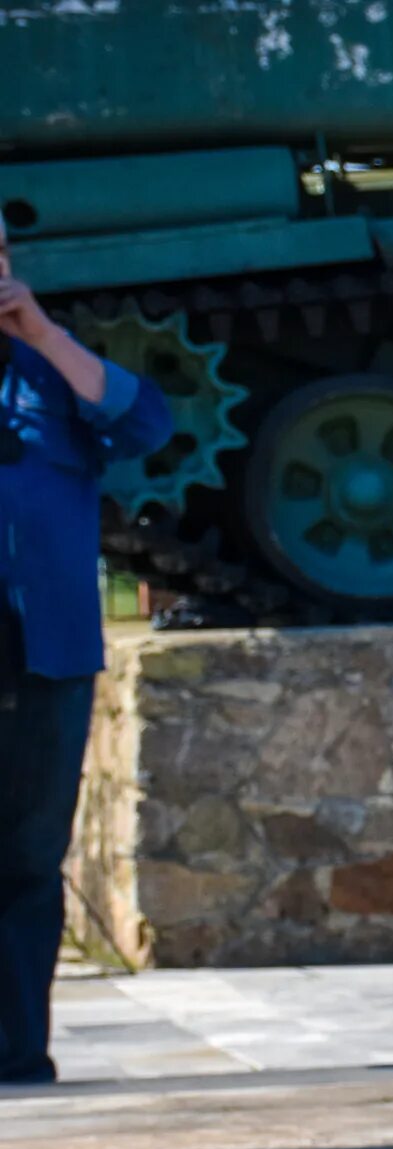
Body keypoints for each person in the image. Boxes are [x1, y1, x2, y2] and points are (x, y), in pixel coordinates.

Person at [0, 212, 171, 1082]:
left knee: (28, 861)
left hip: (43, 657)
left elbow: (144, 426)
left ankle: (17, 1054)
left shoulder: (49, 368)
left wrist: (45, 332)